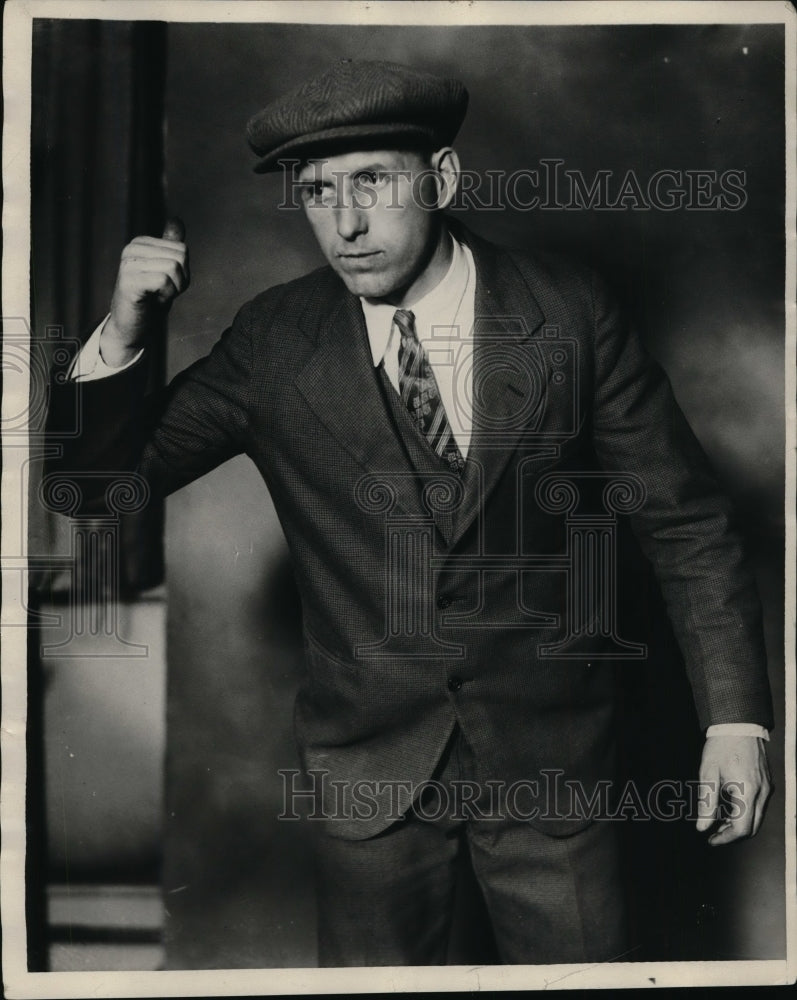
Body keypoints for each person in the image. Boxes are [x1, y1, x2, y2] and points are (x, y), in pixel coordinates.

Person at [46, 59, 774, 966]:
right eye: (316, 192)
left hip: (555, 770)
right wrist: (122, 329)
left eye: (373, 183)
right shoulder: (274, 340)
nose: (345, 224)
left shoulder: (568, 312)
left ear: (443, 178)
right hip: (369, 786)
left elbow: (685, 525)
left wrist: (734, 723)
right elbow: (87, 495)